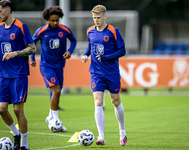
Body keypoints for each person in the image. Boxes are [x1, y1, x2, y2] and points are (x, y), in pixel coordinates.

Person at [81, 5, 127, 146]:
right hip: (96, 72)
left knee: (115, 102)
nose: (96, 20)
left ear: (105, 17)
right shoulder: (90, 31)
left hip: (112, 72)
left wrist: (106, 57)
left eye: (98, 17)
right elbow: (91, 45)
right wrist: (86, 54)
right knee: (98, 102)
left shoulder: (113, 31)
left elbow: (122, 51)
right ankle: (101, 136)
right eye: (94, 17)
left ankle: (122, 130)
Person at [30, 6, 77, 132]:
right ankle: (55, 120)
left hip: (59, 65)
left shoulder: (64, 30)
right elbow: (31, 44)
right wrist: (32, 58)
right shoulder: (41, 31)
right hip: (46, 65)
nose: (55, 23)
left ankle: (50, 116)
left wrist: (69, 51)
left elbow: (73, 40)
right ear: (48, 19)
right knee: (56, 90)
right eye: (52, 20)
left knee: (57, 91)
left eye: (57, 20)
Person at [0, 0, 36, 150]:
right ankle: (16, 133)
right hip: (3, 74)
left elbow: (32, 48)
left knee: (17, 110)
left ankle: (24, 145)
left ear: (8, 10)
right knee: (1, 109)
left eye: (0, 11)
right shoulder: (0, 27)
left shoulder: (21, 27)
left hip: (18, 74)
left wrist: (16, 53)